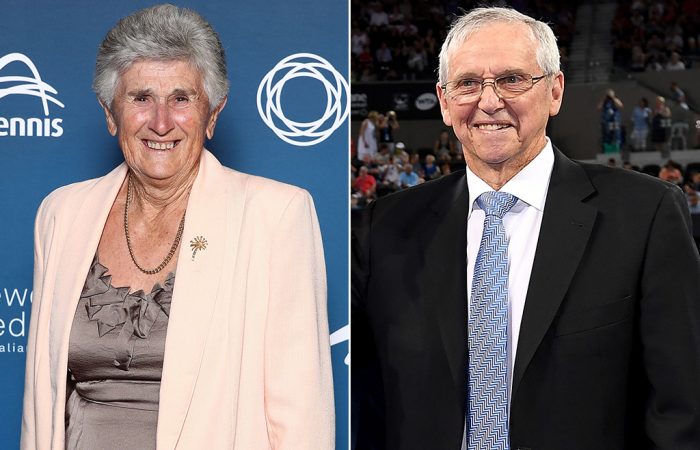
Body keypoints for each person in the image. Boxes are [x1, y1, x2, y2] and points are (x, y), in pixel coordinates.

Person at [352, 6, 700, 450]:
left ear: (555, 91)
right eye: (467, 83)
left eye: (512, 79)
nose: (489, 101)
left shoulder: (643, 214)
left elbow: (680, 404)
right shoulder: (386, 227)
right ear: (443, 101)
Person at [21, 5, 334, 449]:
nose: (161, 122)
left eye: (182, 98)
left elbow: (301, 413)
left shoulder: (275, 214)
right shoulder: (61, 214)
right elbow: (42, 404)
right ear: (111, 113)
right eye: (141, 97)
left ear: (213, 114)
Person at [598, 89, 623, 153]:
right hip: (607, 122)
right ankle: (608, 150)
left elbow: (620, 105)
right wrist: (604, 98)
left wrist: (613, 98)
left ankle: (617, 150)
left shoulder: (615, 100)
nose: (609, 96)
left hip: (615, 121)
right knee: (607, 137)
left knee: (617, 136)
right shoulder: (605, 101)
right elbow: (599, 108)